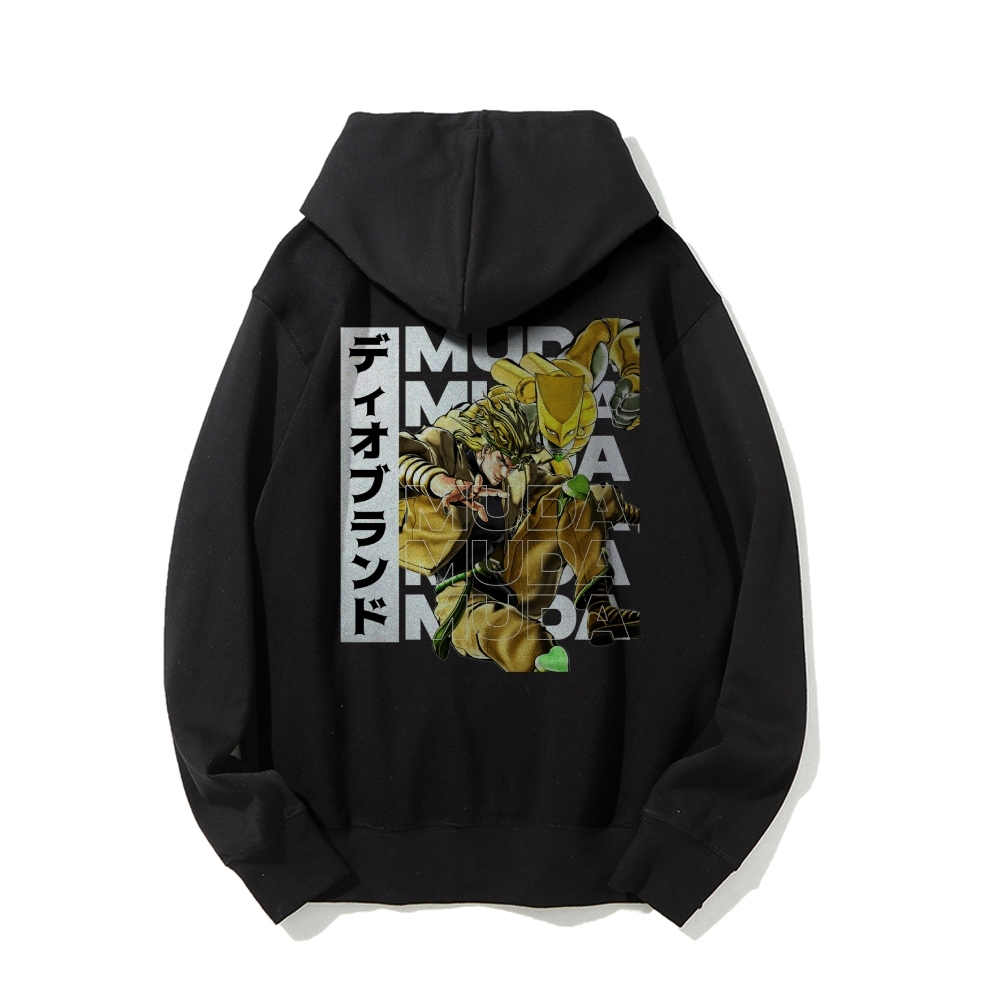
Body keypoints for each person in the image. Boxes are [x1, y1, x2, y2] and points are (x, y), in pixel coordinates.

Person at [399, 386, 640, 672]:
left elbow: (575, 496)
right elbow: (395, 460)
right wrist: (440, 483)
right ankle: (543, 663)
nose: (505, 472)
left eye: (512, 466)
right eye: (502, 461)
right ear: (485, 449)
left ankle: (599, 609)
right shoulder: (444, 449)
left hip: (516, 577)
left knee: (571, 495)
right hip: (463, 596)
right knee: (520, 641)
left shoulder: (517, 475)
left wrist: (630, 512)